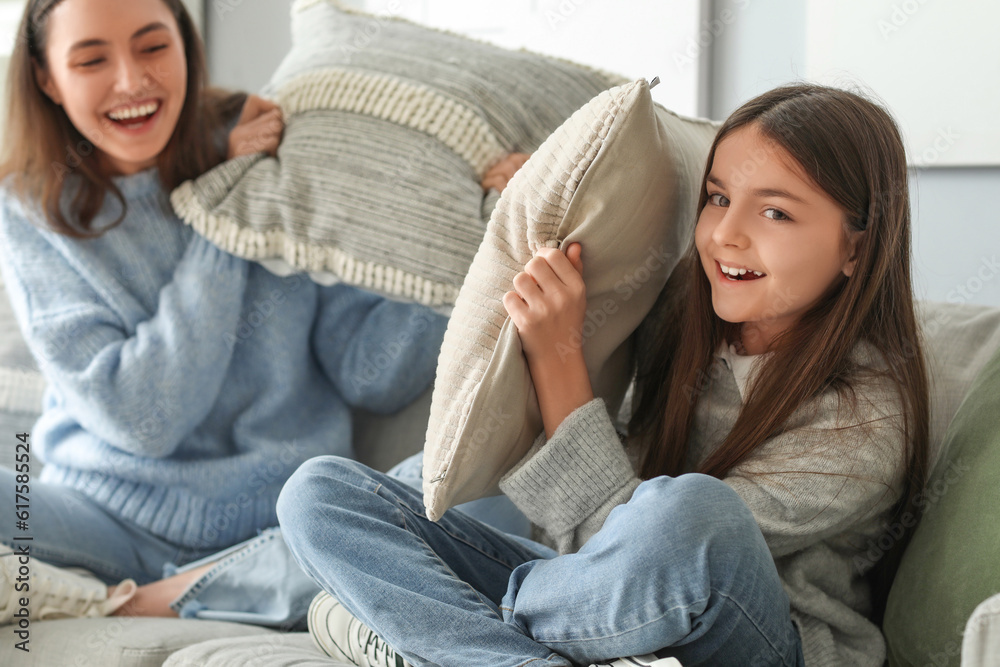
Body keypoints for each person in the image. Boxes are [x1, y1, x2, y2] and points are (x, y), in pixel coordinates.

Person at [275, 82, 930, 667]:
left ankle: (446, 633)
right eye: (719, 198)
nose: (725, 234)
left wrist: (559, 361)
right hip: (589, 594)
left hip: (754, 638)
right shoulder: (685, 312)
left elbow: (651, 560)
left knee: (695, 513)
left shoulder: (865, 419)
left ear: (855, 245)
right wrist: (537, 198)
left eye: (775, 212)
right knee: (319, 492)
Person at [0, 0, 487, 626]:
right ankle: (209, 593)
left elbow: (373, 372)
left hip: (275, 524)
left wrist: (474, 242)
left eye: (152, 46)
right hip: (102, 516)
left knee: (471, 506)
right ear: (46, 78)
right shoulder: (29, 207)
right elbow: (142, 420)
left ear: (185, 44)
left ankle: (147, 602)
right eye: (92, 59)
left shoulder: (276, 156)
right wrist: (226, 207)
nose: (131, 81)